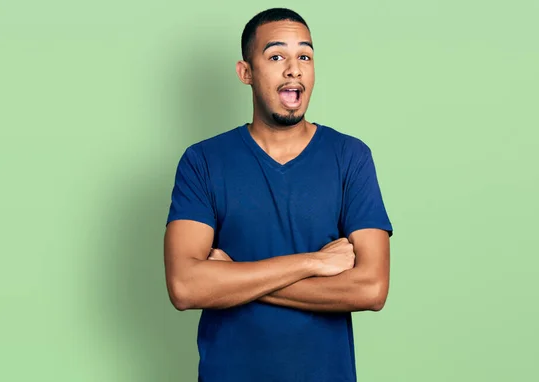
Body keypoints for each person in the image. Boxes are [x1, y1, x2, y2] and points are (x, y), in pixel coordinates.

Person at [164, 7, 393, 382]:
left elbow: (371, 289)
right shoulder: (202, 161)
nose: (294, 69)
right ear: (246, 73)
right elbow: (186, 287)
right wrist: (312, 263)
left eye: (305, 55)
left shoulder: (350, 157)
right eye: (276, 56)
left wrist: (231, 279)